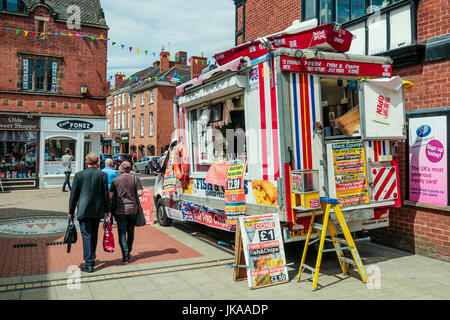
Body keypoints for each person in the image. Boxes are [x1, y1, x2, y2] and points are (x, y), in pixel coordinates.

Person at [69, 152, 110, 273]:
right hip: (97, 210)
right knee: (94, 235)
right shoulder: (102, 175)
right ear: (97, 162)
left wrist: (71, 211)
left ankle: (89, 263)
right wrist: (107, 210)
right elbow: (105, 194)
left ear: (86, 162)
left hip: (84, 209)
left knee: (86, 235)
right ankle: (91, 257)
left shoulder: (79, 175)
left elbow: (74, 195)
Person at [109, 161, 143, 264]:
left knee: (122, 233)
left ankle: (125, 256)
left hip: (120, 210)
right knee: (131, 231)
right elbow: (140, 192)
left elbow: (110, 196)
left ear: (120, 170)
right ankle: (129, 250)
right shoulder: (135, 178)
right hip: (133, 209)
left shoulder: (115, 180)